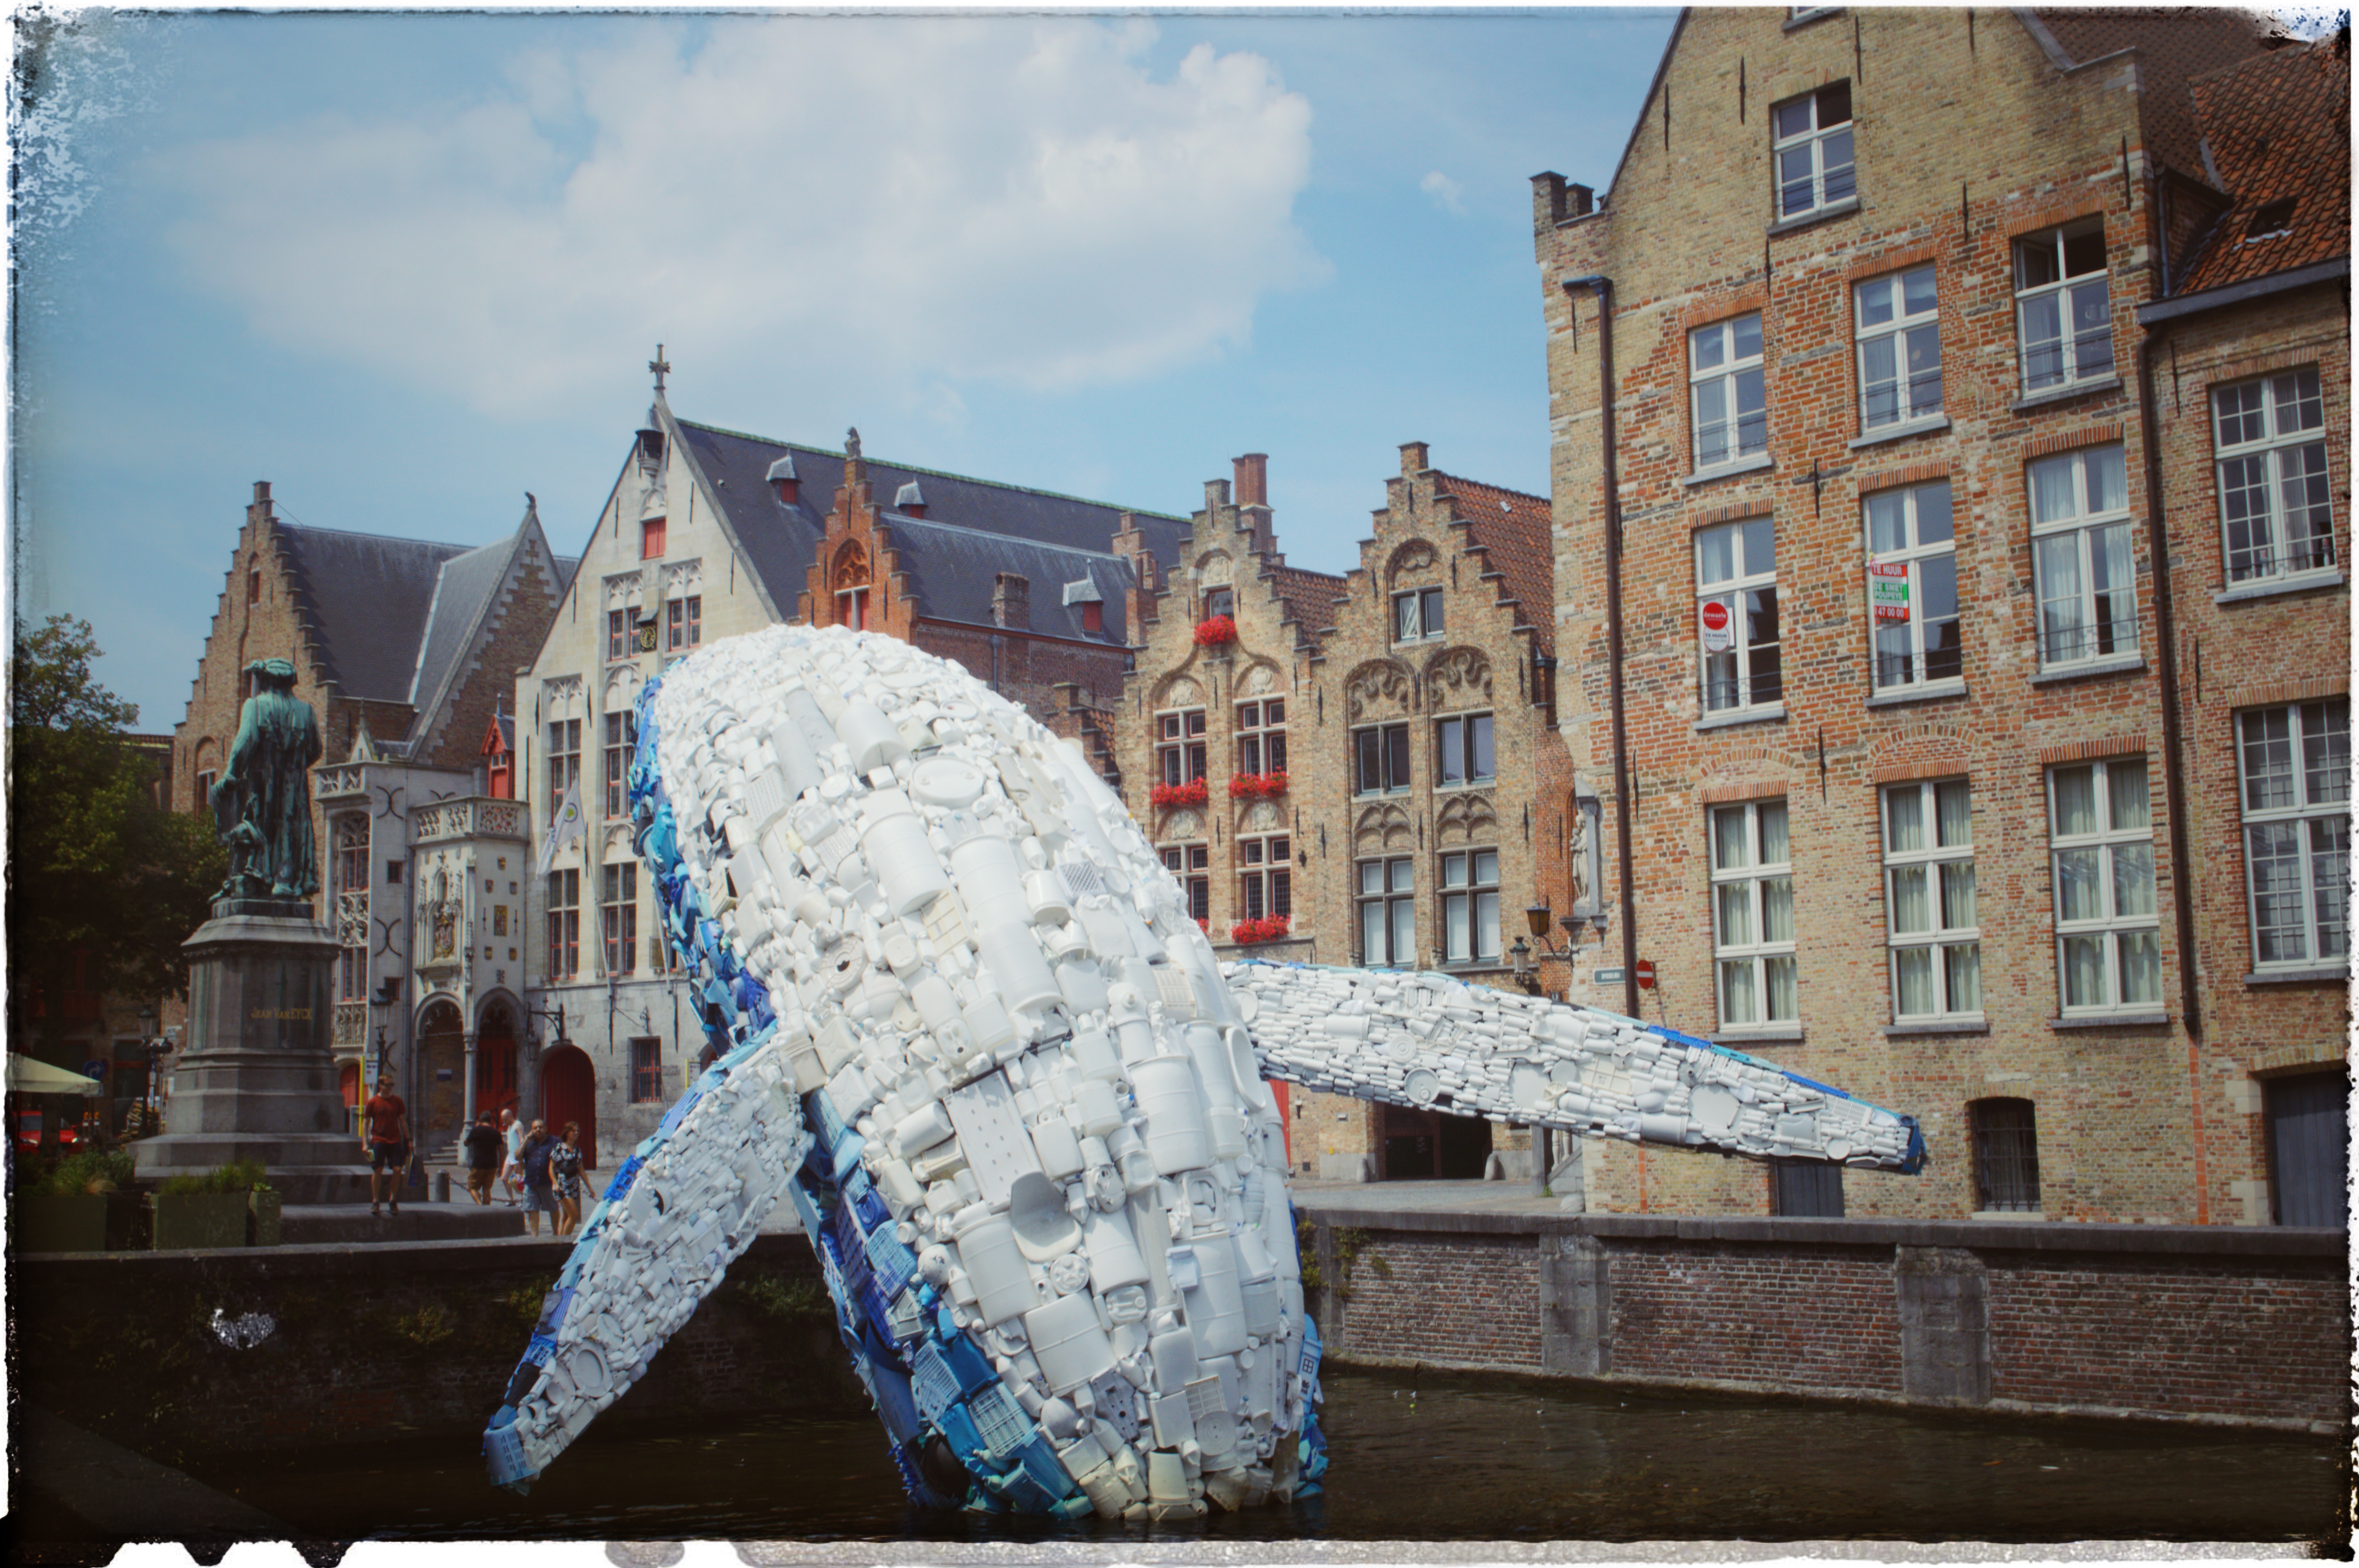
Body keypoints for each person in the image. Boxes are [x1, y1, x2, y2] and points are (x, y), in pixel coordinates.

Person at [362, 1073, 410, 1219]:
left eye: (392, 1085)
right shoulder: (373, 1102)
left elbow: (402, 1121)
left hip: (395, 1140)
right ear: (381, 1085)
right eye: (388, 1085)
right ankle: (376, 1201)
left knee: (398, 1169)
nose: (391, 1088)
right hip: (378, 1140)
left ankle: (393, 1200)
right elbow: (366, 1123)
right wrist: (365, 1143)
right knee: (378, 1169)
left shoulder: (397, 1101)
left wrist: (409, 1139)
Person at [517, 1118, 556, 1237]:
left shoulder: (555, 1141)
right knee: (532, 1210)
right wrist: (525, 1141)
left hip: (548, 1182)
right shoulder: (529, 1143)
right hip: (531, 1183)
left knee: (553, 1209)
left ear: (546, 1129)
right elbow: (517, 1157)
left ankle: (557, 1234)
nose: (538, 1130)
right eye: (535, 1128)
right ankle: (535, 1238)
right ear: (532, 1130)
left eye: (541, 1127)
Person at [549, 1122, 585, 1236]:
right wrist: (555, 1184)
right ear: (567, 1133)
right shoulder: (559, 1149)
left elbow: (582, 1171)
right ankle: (565, 1241)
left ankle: (560, 1239)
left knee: (566, 1216)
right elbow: (551, 1169)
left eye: (577, 1131)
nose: (576, 1133)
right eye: (573, 1131)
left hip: (574, 1186)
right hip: (562, 1186)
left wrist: (590, 1188)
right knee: (574, 1216)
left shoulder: (577, 1150)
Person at [462, 1113, 502, 1205]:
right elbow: (502, 1151)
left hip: (478, 1164)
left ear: (480, 1120)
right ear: (491, 1121)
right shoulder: (496, 1132)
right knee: (487, 1189)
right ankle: (487, 1209)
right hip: (493, 1164)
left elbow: (466, 1144)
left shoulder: (476, 1131)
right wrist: (501, 1167)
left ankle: (480, 1206)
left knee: (473, 1187)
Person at [497, 1107, 525, 1206]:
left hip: (517, 1156)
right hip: (510, 1156)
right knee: (504, 1178)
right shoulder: (509, 1127)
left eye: (505, 1119)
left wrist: (521, 1155)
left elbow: (522, 1139)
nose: (504, 1121)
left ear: (510, 1116)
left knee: (519, 1179)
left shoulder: (518, 1125)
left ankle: (523, 1199)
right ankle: (511, 1199)